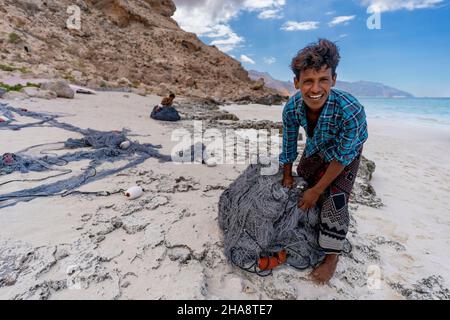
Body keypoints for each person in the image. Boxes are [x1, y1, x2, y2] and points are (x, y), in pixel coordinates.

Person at [279, 39, 368, 284]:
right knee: (303, 171)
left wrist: (318, 192)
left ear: (334, 80)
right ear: (297, 83)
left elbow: (341, 157)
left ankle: (332, 256)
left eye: (323, 80)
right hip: (318, 144)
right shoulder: (292, 107)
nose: (315, 88)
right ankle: (317, 192)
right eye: (308, 81)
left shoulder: (351, 109)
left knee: (335, 201)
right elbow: (288, 143)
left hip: (346, 154)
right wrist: (287, 175)